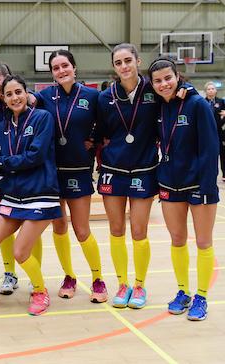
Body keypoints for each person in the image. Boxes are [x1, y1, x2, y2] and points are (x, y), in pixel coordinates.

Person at [0, 74, 60, 315]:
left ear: (26, 93)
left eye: (18, 92)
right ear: (3, 100)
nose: (14, 97)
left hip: (41, 194)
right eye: (9, 94)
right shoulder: (1, 127)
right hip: (13, 196)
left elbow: (35, 157)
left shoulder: (42, 118)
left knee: (20, 252)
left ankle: (40, 291)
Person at [31, 50, 108, 303]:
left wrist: (94, 140)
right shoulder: (43, 97)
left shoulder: (93, 96)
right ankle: (69, 276)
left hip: (79, 170)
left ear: (74, 67)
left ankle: (98, 279)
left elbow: (108, 123)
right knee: (59, 226)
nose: (61, 70)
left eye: (65, 65)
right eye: (56, 67)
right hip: (52, 171)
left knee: (82, 229)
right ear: (51, 73)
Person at [149, 58, 219, 321]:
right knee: (177, 240)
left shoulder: (197, 104)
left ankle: (201, 296)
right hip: (169, 183)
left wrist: (206, 185)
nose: (164, 84)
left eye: (168, 78)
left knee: (203, 242)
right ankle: (183, 291)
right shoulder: (157, 106)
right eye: (157, 80)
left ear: (178, 76)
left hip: (199, 185)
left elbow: (211, 149)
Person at [96, 43, 159, 309]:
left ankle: (140, 285)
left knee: (139, 231)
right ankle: (122, 284)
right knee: (117, 230)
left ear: (138, 61)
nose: (124, 66)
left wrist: (188, 88)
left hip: (144, 170)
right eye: (118, 62)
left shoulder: (153, 91)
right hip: (113, 170)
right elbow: (98, 130)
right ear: (114, 67)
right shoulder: (104, 97)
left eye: (128, 61)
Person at [0, 61, 44, 295]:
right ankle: (3, 278)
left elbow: (36, 153)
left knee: (27, 238)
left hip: (35, 183)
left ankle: (37, 281)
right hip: (5, 180)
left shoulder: (38, 109)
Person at [204, 81, 225, 180]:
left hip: (219, 132)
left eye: (212, 88)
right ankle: (209, 174)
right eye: (209, 89)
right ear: (206, 91)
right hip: (206, 133)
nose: (211, 90)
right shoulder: (202, 102)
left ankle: (224, 174)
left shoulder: (221, 102)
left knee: (223, 153)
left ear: (216, 90)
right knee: (209, 154)